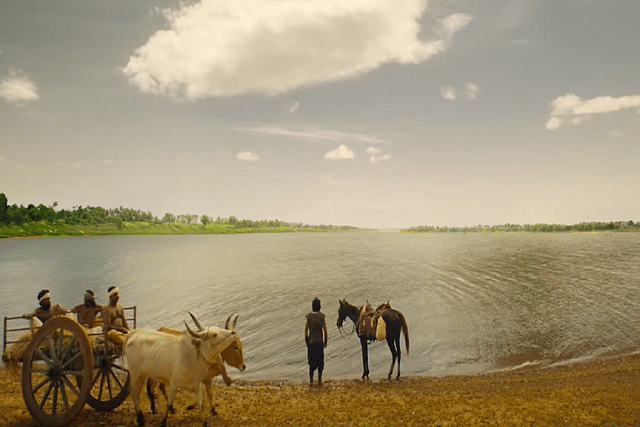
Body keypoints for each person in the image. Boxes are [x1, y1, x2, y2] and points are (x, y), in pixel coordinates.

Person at [304, 297, 328, 387]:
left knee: (311, 362)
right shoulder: (322, 317)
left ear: (312, 306)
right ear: (320, 307)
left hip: (311, 342)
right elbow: (325, 330)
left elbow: (306, 330)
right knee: (320, 362)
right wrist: (325, 342)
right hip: (319, 343)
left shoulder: (309, 317)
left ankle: (311, 380)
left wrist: (307, 341)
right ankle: (319, 380)